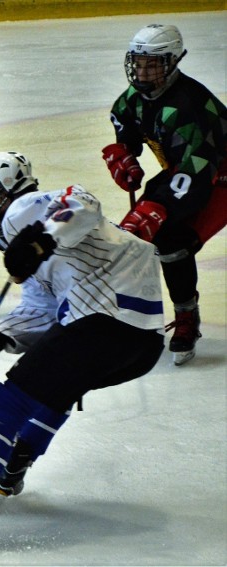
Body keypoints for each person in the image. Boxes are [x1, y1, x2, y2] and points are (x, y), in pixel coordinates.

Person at [0, 152, 165, 537]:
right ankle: (15, 463)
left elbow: (81, 201)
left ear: (3, 192)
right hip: (143, 342)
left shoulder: (24, 211)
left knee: (9, 401)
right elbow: (41, 311)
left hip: (101, 323)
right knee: (56, 386)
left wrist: (41, 240)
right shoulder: (37, 241)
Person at [102, 24, 226, 365]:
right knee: (147, 236)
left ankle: (186, 316)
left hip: (218, 179)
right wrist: (123, 153)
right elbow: (127, 129)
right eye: (138, 63)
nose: (142, 72)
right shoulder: (132, 99)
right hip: (188, 173)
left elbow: (197, 175)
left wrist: (160, 205)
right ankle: (148, 315)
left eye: (152, 64)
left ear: (173, 63)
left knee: (171, 238)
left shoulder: (190, 107)